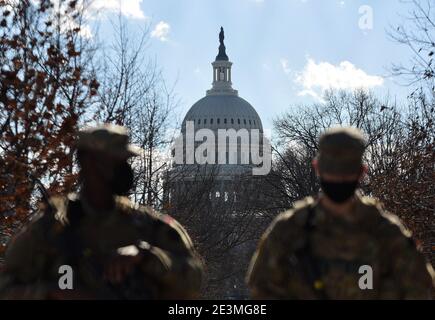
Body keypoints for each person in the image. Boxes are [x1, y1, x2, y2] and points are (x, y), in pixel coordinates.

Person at [0, 124, 203, 299]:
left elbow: (194, 278)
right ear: (89, 163)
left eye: (125, 161)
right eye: (115, 161)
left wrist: (146, 256)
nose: (124, 169)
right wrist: (51, 293)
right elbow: (6, 286)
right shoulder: (51, 227)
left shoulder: (148, 226)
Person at [246, 126, 435, 299]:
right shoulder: (288, 231)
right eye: (333, 172)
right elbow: (261, 293)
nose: (339, 179)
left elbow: (421, 291)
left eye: (345, 172)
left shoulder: (388, 235)